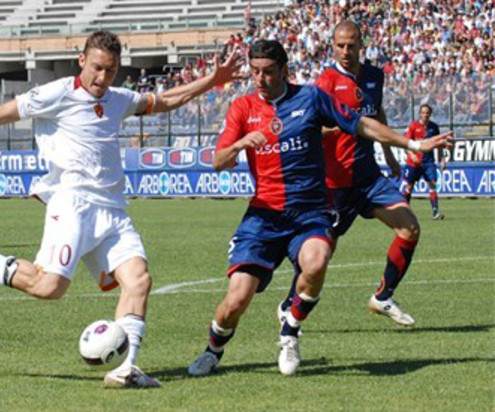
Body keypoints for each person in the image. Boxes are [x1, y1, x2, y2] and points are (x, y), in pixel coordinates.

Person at [0, 30, 242, 389]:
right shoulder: (58, 92)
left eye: (110, 71)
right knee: (49, 287)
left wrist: (212, 81)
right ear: (81, 61)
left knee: (139, 280)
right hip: (72, 203)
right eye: (96, 68)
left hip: (113, 209)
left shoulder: (118, 98)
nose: (102, 78)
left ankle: (127, 368)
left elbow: (165, 99)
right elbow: (0, 114)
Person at [187, 40, 451, 377]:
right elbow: (218, 162)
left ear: (284, 71)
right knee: (235, 302)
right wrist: (240, 144)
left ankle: (290, 332)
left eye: (268, 72)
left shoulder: (310, 98)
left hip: (310, 212)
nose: (260, 79)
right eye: (255, 72)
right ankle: (213, 351)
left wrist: (412, 143)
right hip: (264, 216)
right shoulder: (243, 108)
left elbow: (363, 124)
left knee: (316, 262)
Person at [278, 20, 428, 330]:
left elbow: (377, 113)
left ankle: (383, 297)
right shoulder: (325, 83)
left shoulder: (374, 76)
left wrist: (389, 155)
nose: (346, 51)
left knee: (409, 227)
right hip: (336, 184)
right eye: (340, 46)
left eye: (352, 45)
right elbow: (309, 128)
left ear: (362, 44)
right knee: (321, 253)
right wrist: (336, 127)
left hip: (369, 178)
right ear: (332, 47)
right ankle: (289, 303)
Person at [401, 104, 447, 219]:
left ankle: (435, 212)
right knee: (409, 187)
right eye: (423, 112)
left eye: (427, 113)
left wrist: (442, 159)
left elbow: (439, 144)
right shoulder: (413, 126)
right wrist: (412, 155)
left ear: (430, 114)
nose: (425, 115)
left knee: (432, 185)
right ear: (420, 114)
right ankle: (405, 212)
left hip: (428, 162)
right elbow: (405, 143)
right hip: (413, 163)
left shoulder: (434, 127)